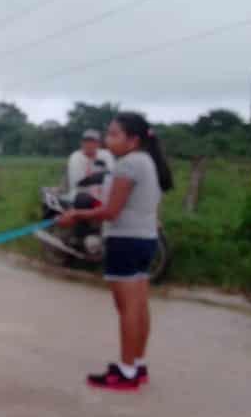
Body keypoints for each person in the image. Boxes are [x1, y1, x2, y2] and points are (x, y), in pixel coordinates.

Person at [56, 112, 174, 391]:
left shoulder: (128, 166)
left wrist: (76, 215)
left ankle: (126, 371)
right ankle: (137, 364)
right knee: (140, 305)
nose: (106, 141)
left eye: (113, 134)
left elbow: (111, 211)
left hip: (125, 241)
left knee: (128, 309)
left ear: (133, 140)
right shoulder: (148, 162)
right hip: (145, 239)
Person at [66, 129, 115, 203]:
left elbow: (113, 174)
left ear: (99, 144)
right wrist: (101, 175)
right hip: (82, 194)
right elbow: (79, 182)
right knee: (83, 199)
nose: (89, 144)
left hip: (104, 194)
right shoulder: (76, 157)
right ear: (81, 143)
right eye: (86, 142)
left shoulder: (106, 154)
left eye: (93, 142)